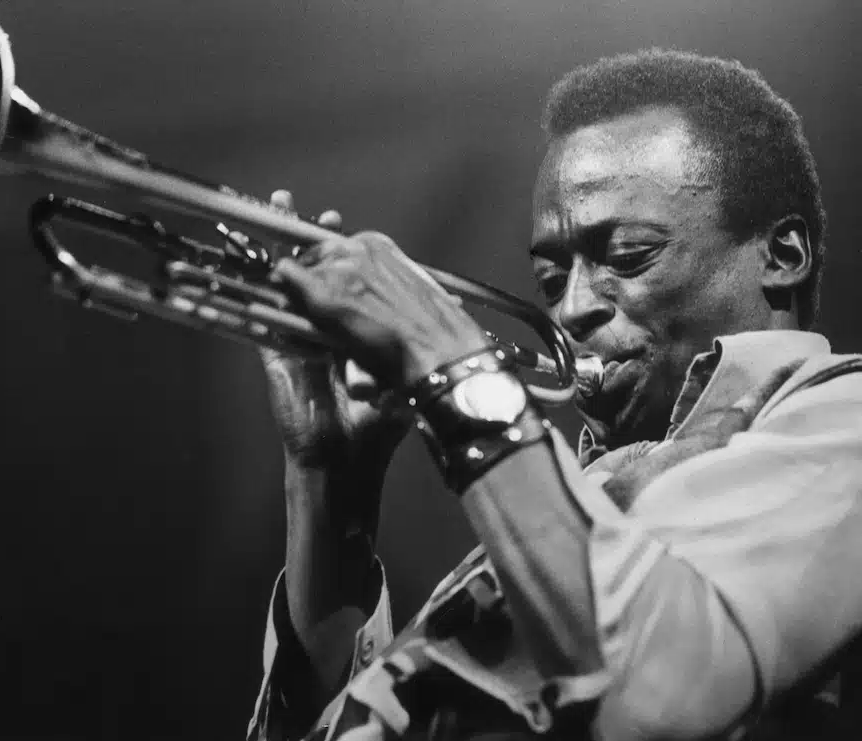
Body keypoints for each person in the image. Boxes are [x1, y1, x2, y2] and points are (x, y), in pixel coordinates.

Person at [246, 49, 862, 741]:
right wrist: (330, 485)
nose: (570, 308)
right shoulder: (570, 502)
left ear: (781, 255)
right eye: (548, 280)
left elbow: (657, 697)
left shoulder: (843, 420)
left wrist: (450, 363)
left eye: (628, 255)